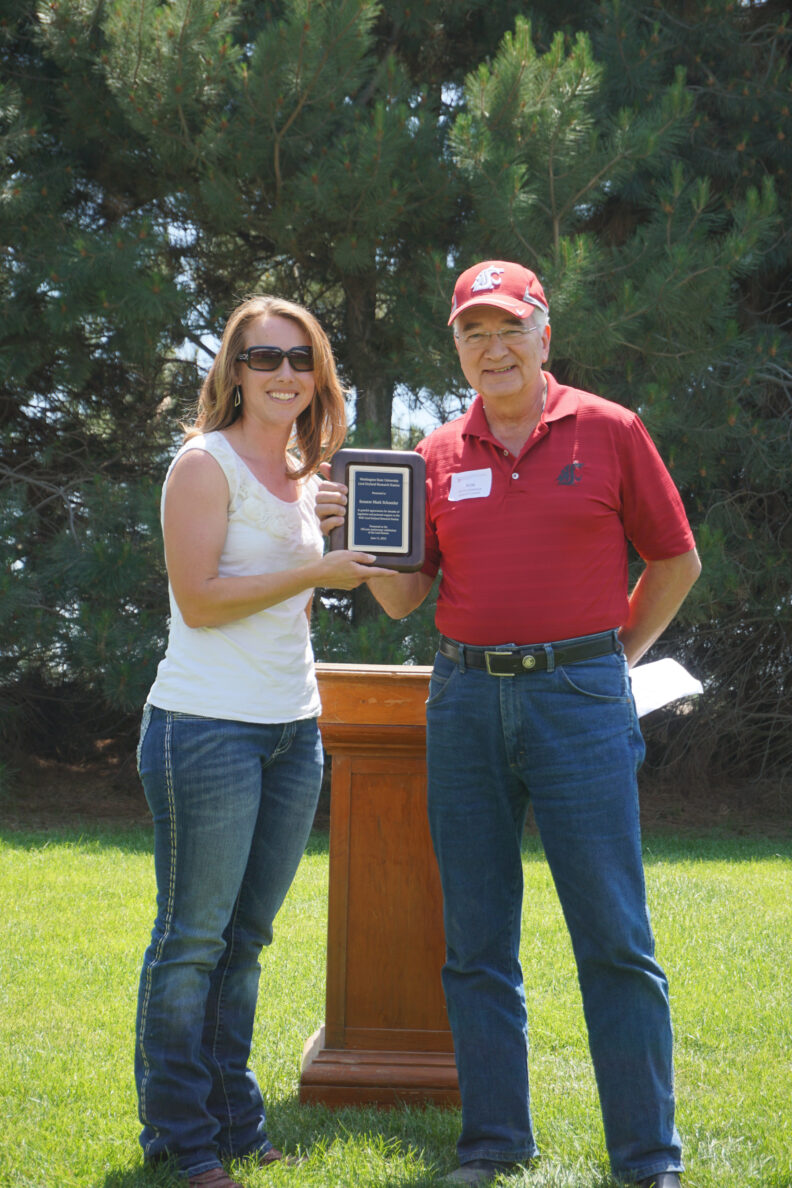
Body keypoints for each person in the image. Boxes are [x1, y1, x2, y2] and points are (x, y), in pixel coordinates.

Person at [316, 261, 701, 1188]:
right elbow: (408, 600)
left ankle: (646, 1159)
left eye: (508, 328)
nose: (493, 348)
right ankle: (493, 1142)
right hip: (463, 704)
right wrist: (356, 547)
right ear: (457, 349)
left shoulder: (610, 430)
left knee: (613, 936)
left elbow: (675, 559)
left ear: (543, 334)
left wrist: (614, 657)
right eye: (472, 333)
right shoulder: (436, 454)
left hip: (579, 702)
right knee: (477, 939)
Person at [134, 295, 394, 1188]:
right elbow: (201, 601)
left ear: (316, 373)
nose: (284, 373)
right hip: (205, 729)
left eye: (300, 358)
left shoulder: (300, 470)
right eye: (263, 357)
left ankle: (233, 1118)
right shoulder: (202, 467)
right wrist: (316, 568)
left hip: (291, 730)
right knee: (192, 940)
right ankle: (180, 1134)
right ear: (233, 372)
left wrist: (329, 537)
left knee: (246, 940)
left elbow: (290, 596)